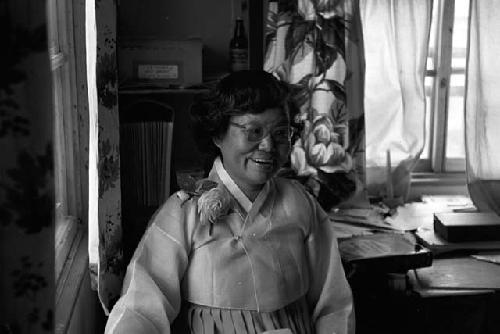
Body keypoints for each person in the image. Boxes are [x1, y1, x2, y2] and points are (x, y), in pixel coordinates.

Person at [105, 70, 354, 334]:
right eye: (253, 131)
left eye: (281, 133)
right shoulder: (183, 213)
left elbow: (333, 302)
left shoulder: (301, 204)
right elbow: (141, 307)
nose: (268, 146)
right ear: (217, 133)